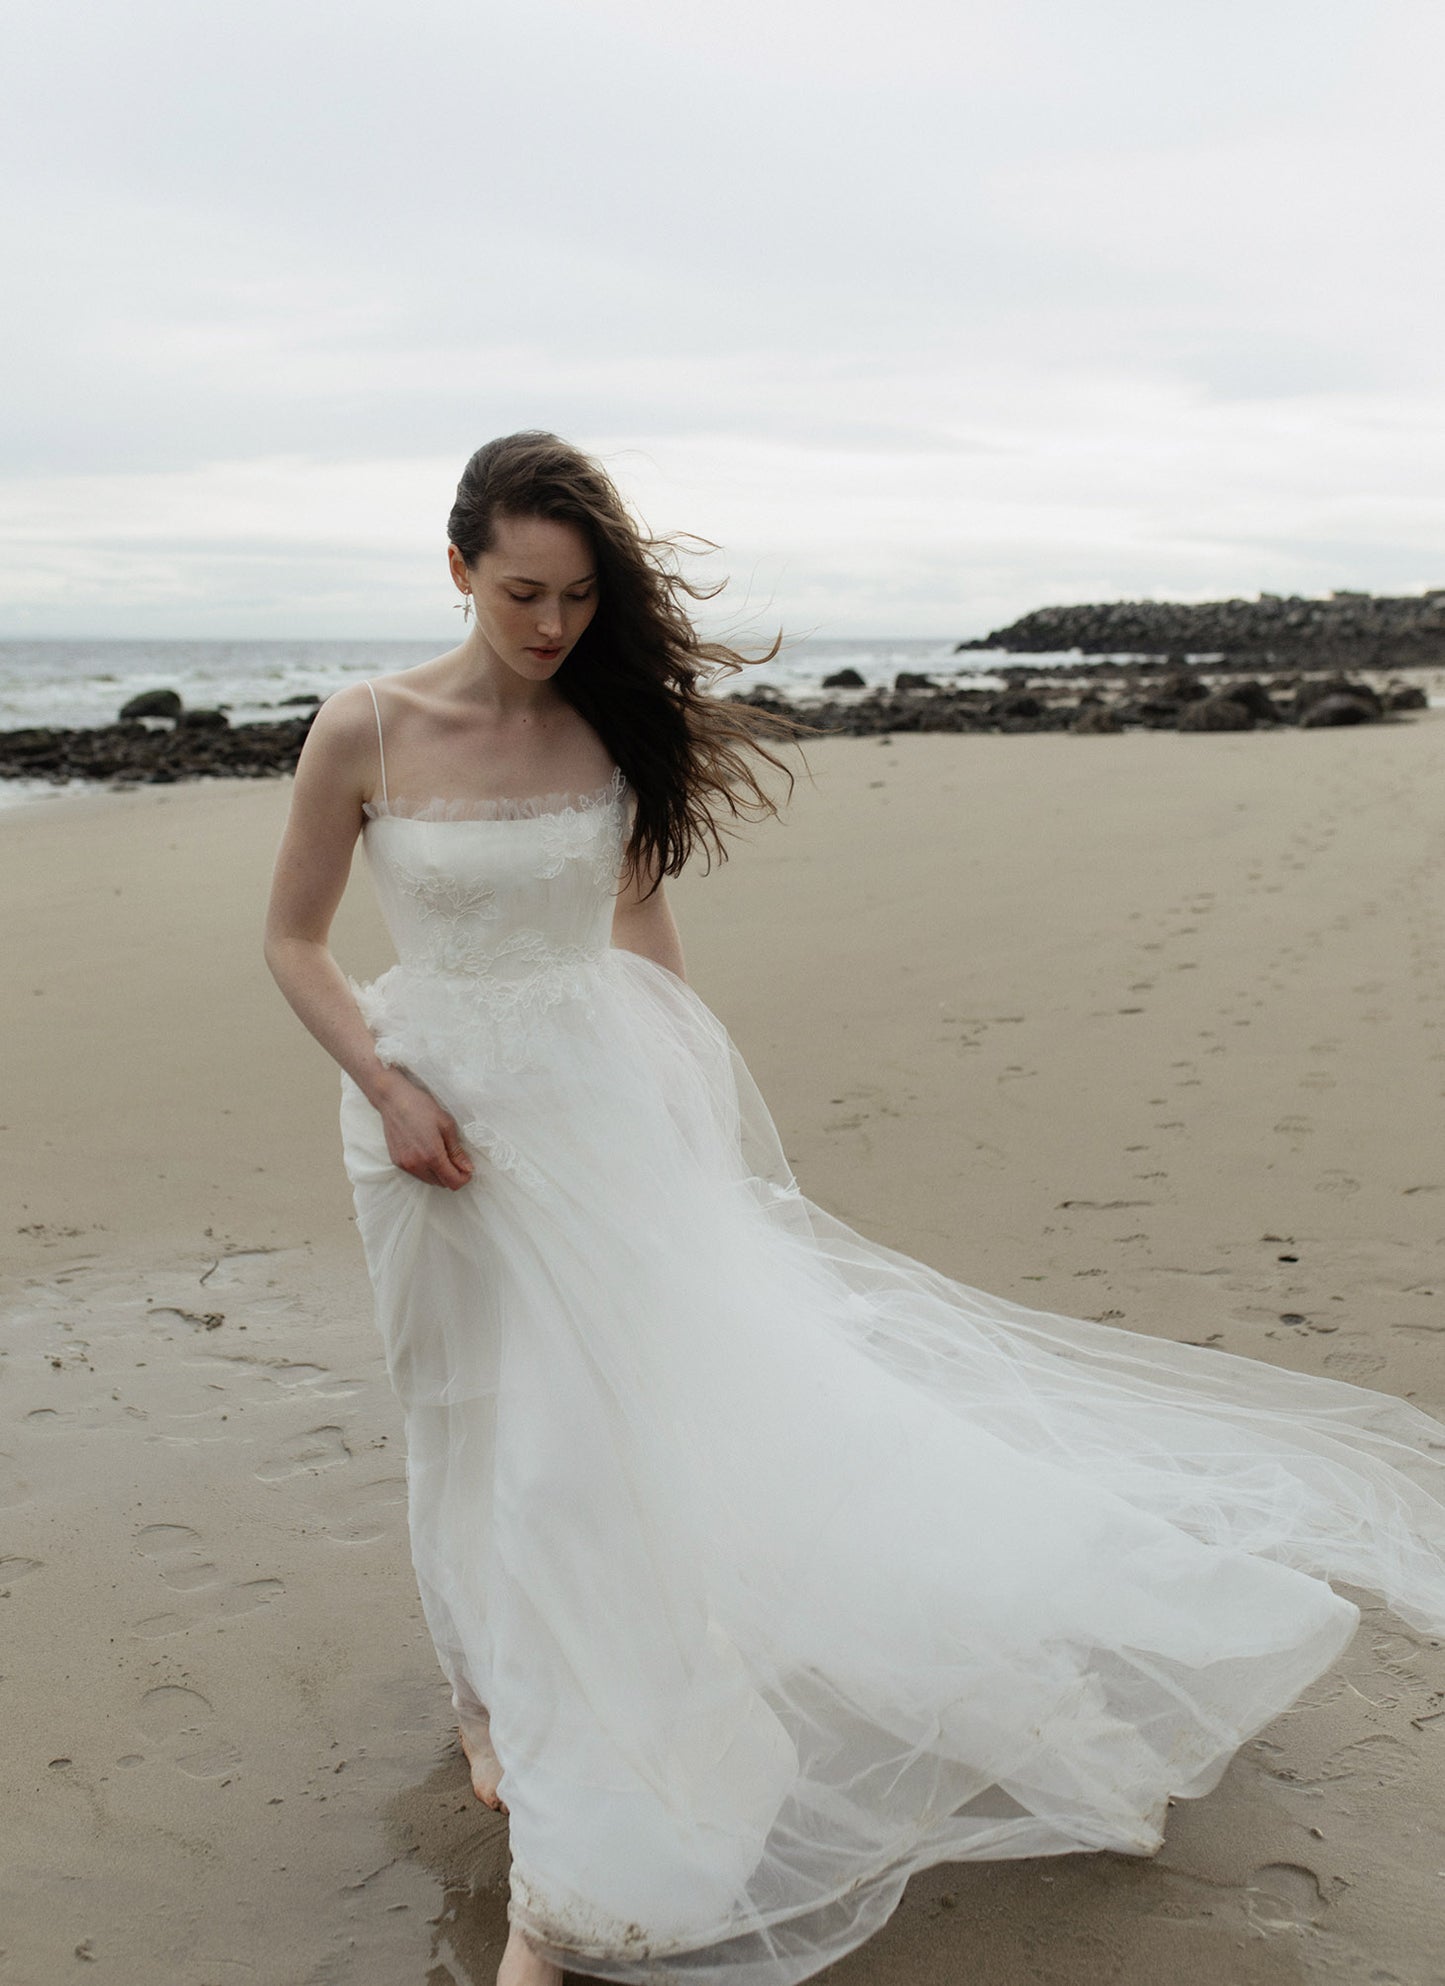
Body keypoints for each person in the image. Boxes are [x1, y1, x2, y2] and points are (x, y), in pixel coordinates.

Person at [265, 431, 1445, 1986]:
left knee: (579, 1446)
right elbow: (292, 941)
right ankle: (483, 1695)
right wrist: (389, 1087)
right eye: (522, 593)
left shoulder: (609, 733)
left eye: (575, 597)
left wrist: (696, 1132)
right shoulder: (363, 726)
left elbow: (641, 938)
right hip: (424, 1129)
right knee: (460, 1414)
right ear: (458, 569)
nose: (550, 626)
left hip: (590, 1113)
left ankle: (577, 1795)